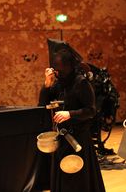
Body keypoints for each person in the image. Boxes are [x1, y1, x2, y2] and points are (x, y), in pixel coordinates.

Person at [38, 49, 105, 192]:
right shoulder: (58, 84)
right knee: (63, 178)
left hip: (79, 139)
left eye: (59, 70)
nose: (57, 73)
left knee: (79, 179)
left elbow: (91, 110)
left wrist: (70, 114)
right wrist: (47, 85)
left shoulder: (81, 83)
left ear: (69, 67)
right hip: (62, 139)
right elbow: (42, 105)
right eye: (55, 70)